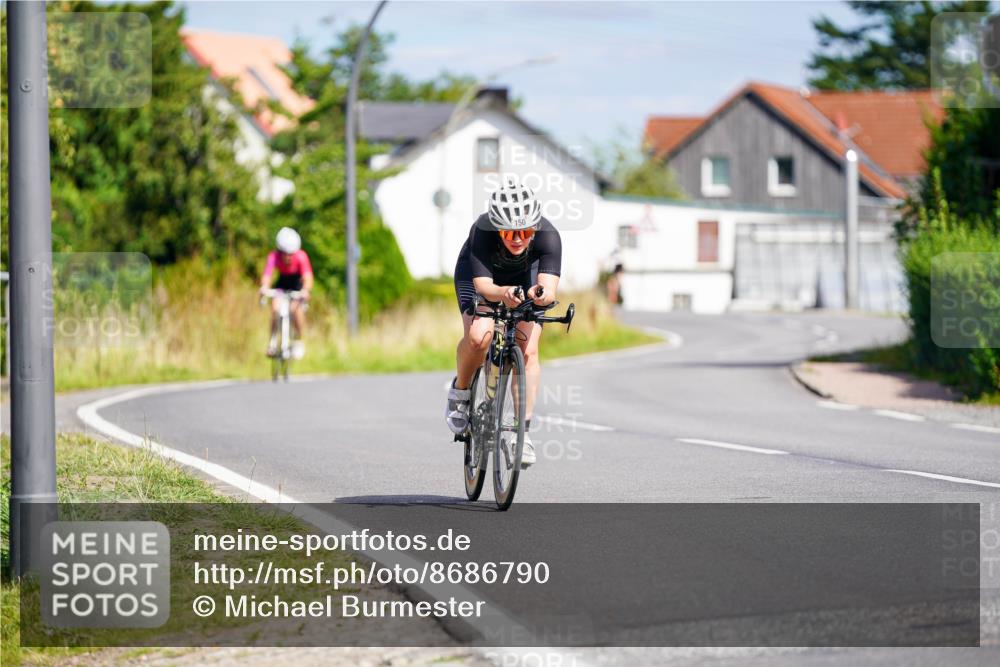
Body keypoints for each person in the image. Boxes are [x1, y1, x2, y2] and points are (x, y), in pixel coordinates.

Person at [445, 177, 562, 468]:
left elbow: (548, 290)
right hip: (484, 279)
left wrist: (538, 295)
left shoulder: (549, 236)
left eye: (524, 231)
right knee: (478, 337)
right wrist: (503, 294)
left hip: (525, 279)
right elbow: (484, 287)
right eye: (510, 233)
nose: (518, 238)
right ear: (498, 228)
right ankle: (460, 392)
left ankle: (521, 432)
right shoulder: (482, 231)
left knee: (528, 350)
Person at [260, 227, 313, 359]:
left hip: (296, 285)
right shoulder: (274, 256)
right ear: (280, 251)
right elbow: (267, 274)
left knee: (295, 310)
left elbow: (307, 277)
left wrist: (305, 290)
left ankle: (298, 340)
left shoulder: (301, 257)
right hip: (282, 283)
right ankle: (272, 342)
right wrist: (264, 287)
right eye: (285, 253)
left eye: (291, 254)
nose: (288, 257)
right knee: (275, 308)